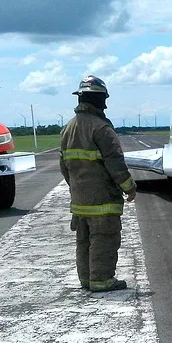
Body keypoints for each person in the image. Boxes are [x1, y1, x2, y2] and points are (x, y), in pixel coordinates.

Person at [59, 75, 137, 292]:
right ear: (97, 99)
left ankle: (87, 279)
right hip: (102, 201)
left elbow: (64, 166)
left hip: (80, 201)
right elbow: (116, 164)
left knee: (84, 242)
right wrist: (129, 187)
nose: (106, 104)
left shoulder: (68, 128)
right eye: (104, 98)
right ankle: (102, 280)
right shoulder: (101, 129)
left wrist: (77, 187)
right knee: (104, 239)